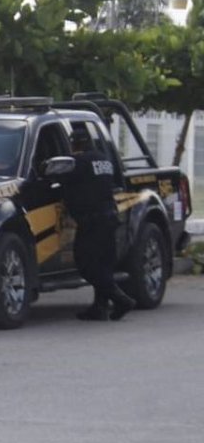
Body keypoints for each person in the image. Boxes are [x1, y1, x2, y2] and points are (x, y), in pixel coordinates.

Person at [59, 126, 135, 321]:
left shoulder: (78, 162)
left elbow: (61, 180)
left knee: (86, 264)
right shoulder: (103, 159)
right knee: (103, 265)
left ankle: (121, 299)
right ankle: (99, 307)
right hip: (109, 217)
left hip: (92, 220)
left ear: (74, 143)